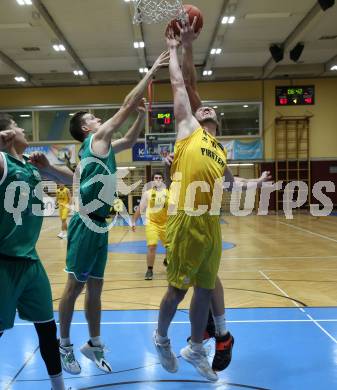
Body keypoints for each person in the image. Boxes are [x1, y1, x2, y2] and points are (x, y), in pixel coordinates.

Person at [58, 51, 169, 375]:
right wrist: (150, 72)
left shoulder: (104, 146)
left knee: (95, 290)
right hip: (84, 224)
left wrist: (143, 116)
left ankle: (93, 343)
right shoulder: (95, 140)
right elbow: (124, 105)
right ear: (85, 127)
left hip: (100, 226)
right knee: (73, 288)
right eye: (92, 117)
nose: (97, 118)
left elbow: (132, 138)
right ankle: (64, 344)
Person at [0, 114, 73, 390]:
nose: (22, 129)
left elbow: (78, 181)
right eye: (18, 126)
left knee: (47, 328)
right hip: (3, 263)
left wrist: (51, 167)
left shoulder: (30, 168)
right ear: (7, 134)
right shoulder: (3, 162)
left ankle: (59, 386)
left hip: (30, 262)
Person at [131, 171, 169, 280]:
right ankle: (149, 270)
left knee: (170, 247)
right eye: (156, 178)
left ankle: (167, 260)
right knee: (152, 246)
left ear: (162, 180)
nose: (158, 180)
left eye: (160, 178)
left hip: (165, 223)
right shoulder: (147, 193)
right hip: (151, 223)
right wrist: (133, 221)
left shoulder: (168, 193)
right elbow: (140, 208)